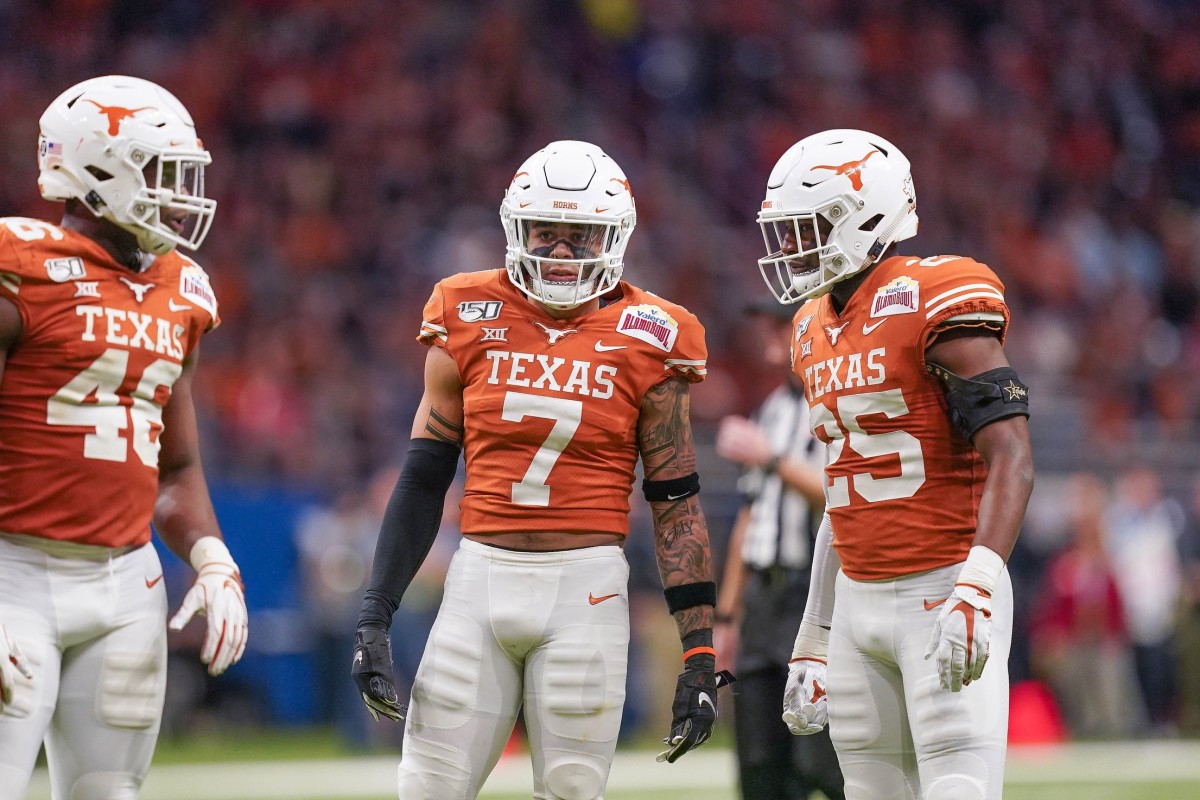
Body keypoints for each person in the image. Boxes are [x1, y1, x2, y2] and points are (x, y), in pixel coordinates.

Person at [351, 140, 730, 800]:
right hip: (478, 579)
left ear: (611, 238)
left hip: (585, 589)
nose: (558, 252)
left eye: (577, 236)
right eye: (543, 234)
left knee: (571, 794)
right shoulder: (465, 310)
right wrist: (374, 615)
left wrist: (698, 651)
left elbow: (676, 500)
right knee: (425, 789)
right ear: (513, 231)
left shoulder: (654, 333)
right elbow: (422, 476)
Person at [757, 129, 1034, 800]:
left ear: (865, 218)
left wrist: (978, 585)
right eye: (787, 231)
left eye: (809, 227)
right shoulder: (808, 328)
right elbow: (842, 491)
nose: (793, 247)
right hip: (857, 600)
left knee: (958, 789)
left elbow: (1014, 455)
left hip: (942, 589)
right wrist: (814, 637)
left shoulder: (937, 294)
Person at [0, 75, 248, 799]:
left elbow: (176, 466)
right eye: (161, 175)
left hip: (125, 586)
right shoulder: (21, 268)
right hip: (12, 575)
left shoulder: (183, 290)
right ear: (95, 169)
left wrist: (213, 561)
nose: (178, 196)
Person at [714, 299, 845, 800]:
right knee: (758, 762)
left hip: (811, 599)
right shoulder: (771, 408)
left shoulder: (835, 400)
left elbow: (838, 495)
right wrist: (727, 616)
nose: (772, 348)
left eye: (779, 333)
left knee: (822, 760)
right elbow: (751, 519)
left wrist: (771, 460)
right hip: (763, 604)